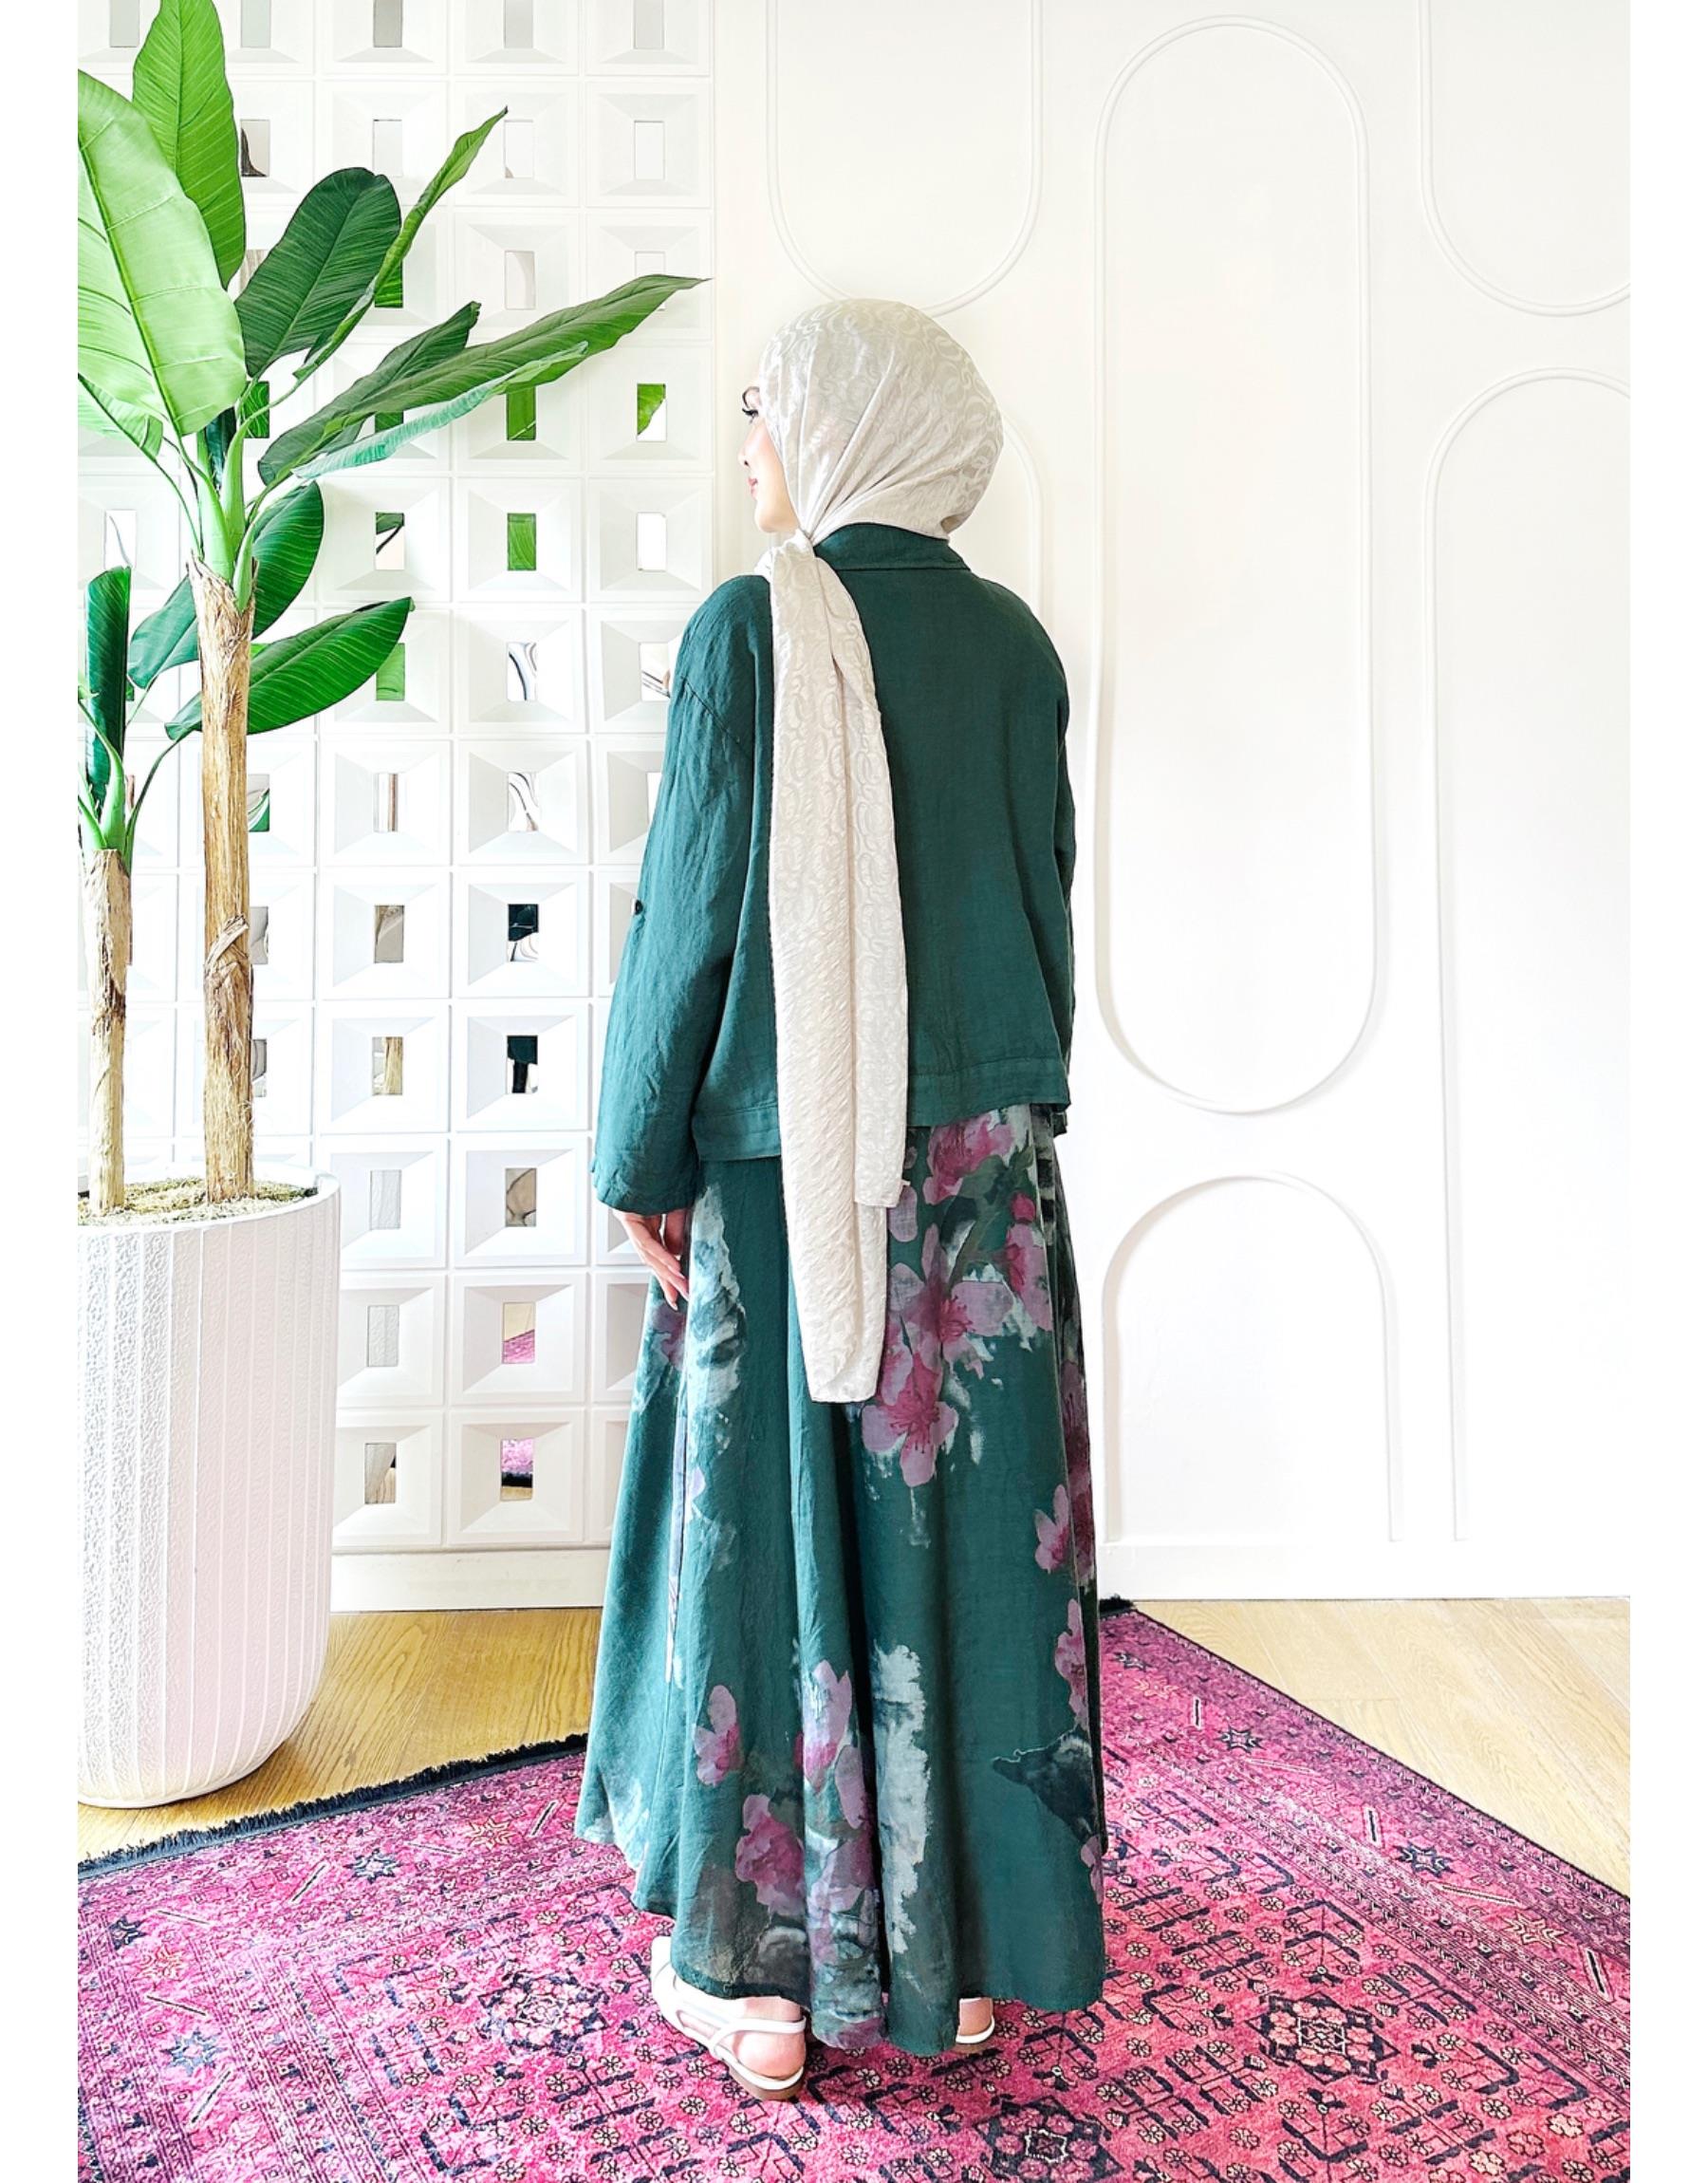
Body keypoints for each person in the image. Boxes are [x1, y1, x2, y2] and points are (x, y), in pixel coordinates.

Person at [572, 298, 1105, 2099]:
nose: (750, 446)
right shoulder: (1016, 645)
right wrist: (1010, 1113)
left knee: (770, 1557)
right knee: (969, 1561)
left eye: (764, 411)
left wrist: (636, 1158)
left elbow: (689, 917)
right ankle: (961, 1967)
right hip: (981, 1180)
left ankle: (758, 1986)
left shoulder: (750, 628)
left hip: (782, 1159)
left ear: (841, 424)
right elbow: (1044, 908)